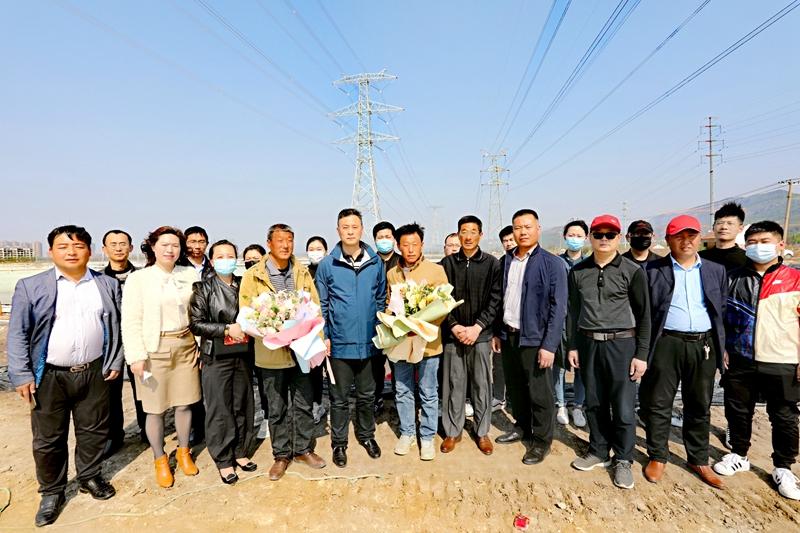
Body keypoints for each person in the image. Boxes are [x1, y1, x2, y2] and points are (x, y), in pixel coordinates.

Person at [8, 225, 123, 527]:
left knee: (93, 430)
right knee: (48, 438)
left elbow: (118, 327)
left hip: (94, 371)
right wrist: (21, 374)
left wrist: (115, 360)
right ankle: (52, 491)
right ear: (51, 251)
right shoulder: (30, 286)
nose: (71, 252)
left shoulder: (106, 284)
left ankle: (89, 476)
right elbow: (18, 333)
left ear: (89, 251)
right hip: (48, 376)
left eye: (78, 246)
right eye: (63, 246)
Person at [713, 221, 800, 501]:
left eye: (765, 241)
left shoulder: (795, 279)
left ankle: (783, 467)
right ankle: (739, 455)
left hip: (783, 359)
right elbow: (720, 318)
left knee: (784, 416)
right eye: (752, 242)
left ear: (780, 245)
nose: (758, 247)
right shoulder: (732, 278)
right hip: (740, 357)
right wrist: (723, 348)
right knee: (738, 410)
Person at [640, 216, 727, 489]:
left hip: (703, 345)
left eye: (691, 235)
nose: (685, 241)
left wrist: (722, 347)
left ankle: (698, 458)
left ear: (700, 238)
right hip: (666, 343)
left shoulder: (715, 270)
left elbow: (721, 309)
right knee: (658, 403)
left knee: (699, 404)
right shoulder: (652, 270)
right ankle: (657, 456)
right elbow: (644, 312)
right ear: (668, 240)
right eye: (679, 235)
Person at [567, 215, 650, 490]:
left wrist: (641, 354)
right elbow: (573, 311)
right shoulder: (578, 271)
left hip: (622, 345)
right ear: (590, 237)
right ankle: (599, 450)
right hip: (588, 343)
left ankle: (623, 459)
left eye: (610, 235)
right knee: (594, 402)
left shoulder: (632, 271)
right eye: (599, 234)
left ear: (619, 238)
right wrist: (573, 346)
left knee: (623, 407)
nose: (604, 239)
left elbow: (644, 316)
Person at [239, 224, 326, 481]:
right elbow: (247, 314)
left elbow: (315, 308)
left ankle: (303, 449)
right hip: (271, 353)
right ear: (269, 243)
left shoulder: (302, 272)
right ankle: (281, 454)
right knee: (276, 407)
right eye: (280, 240)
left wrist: (316, 341)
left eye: (289, 240)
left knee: (303, 403)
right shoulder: (253, 276)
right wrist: (275, 333)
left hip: (301, 351)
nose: (286, 245)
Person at [122, 227, 201, 488]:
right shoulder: (139, 279)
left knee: (185, 404)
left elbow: (198, 311)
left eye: (175, 245)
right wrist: (136, 356)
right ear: (152, 247)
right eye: (164, 245)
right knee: (154, 409)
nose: (170, 250)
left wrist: (200, 345)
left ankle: (183, 452)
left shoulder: (189, 274)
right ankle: (160, 459)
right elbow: (131, 320)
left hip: (186, 345)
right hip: (154, 349)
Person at [492, 210, 568, 466]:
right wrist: (498, 332)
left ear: (538, 229)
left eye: (527, 226)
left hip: (536, 341)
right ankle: (522, 427)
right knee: (515, 389)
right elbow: (500, 300)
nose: (522, 232)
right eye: (517, 227)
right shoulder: (506, 261)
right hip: (509, 336)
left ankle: (542, 441)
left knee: (540, 394)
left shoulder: (551, 263)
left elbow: (559, 308)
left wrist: (549, 345)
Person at [316, 209, 387, 468]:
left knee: (367, 396)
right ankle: (339, 443)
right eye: (344, 227)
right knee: (339, 398)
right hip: (339, 344)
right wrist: (325, 336)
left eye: (354, 226)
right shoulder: (327, 265)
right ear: (338, 231)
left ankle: (367, 436)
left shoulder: (375, 262)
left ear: (362, 229)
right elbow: (322, 304)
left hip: (369, 343)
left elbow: (381, 298)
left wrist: (378, 330)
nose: (350, 231)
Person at [189, 240, 255, 485]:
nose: (226, 260)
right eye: (220, 256)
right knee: (219, 407)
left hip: (243, 353)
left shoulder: (244, 285)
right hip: (217, 355)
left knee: (243, 403)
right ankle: (223, 458)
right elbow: (196, 324)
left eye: (231, 256)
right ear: (212, 261)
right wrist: (227, 329)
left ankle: (240, 450)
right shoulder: (203, 288)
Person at [440, 215, 502, 455]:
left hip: (481, 335)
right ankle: (452, 432)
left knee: (481, 384)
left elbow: (495, 299)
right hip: (453, 334)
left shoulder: (492, 264)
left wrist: (478, 327)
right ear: (458, 235)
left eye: (473, 231)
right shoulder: (447, 264)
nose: (468, 236)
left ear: (480, 235)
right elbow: (440, 299)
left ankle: (482, 431)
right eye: (463, 232)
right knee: (453, 383)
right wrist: (454, 326)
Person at [388, 222, 449, 461]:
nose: (410, 249)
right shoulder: (392, 273)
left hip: (428, 343)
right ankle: (407, 433)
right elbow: (389, 304)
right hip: (401, 341)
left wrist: (421, 326)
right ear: (398, 246)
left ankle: (427, 436)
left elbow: (443, 306)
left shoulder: (436, 271)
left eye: (415, 244)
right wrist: (395, 324)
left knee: (428, 392)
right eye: (405, 245)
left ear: (422, 245)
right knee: (402, 389)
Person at [101, 229, 146, 457]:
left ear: (131, 248)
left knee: (144, 386)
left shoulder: (142, 277)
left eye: (123, 244)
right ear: (104, 249)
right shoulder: (98, 279)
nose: (118, 248)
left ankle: (147, 429)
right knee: (110, 391)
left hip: (138, 340)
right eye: (113, 244)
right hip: (111, 344)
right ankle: (114, 436)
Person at [555, 220, 588, 428]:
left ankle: (578, 406)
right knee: (558, 365)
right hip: (559, 320)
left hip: (583, 322)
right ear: (565, 237)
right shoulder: (556, 262)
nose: (574, 239)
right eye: (571, 235)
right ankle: (560, 404)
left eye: (579, 236)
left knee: (581, 366)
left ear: (586, 238)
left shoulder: (590, 263)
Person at [184, 225, 211, 443]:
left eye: (201, 242)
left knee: (207, 382)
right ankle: (196, 426)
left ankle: (210, 424)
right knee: (190, 384)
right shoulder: (178, 268)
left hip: (209, 331)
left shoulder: (212, 267)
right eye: (192, 241)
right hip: (186, 331)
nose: (197, 246)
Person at [242, 244, 269, 439]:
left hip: (264, 340)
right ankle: (259, 412)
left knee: (265, 381)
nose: (251, 263)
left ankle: (268, 417)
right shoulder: (242, 282)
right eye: (248, 260)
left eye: (256, 259)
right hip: (244, 342)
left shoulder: (267, 282)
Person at [372, 221, 400, 411]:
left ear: (394, 239)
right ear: (375, 240)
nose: (384, 240)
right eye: (380, 237)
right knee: (375, 365)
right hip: (374, 321)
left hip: (397, 322)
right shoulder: (370, 262)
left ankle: (400, 398)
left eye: (387, 237)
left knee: (398, 363)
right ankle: (376, 398)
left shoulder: (401, 262)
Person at [491, 224, 516, 412]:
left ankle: (520, 399)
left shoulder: (531, 263)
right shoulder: (500, 265)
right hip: (502, 325)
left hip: (525, 328)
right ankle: (499, 397)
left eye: (511, 239)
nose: (508, 244)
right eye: (505, 241)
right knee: (498, 365)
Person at [306, 235, 328, 424]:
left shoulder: (330, 271)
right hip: (309, 329)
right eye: (311, 249)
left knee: (333, 368)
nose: (315, 252)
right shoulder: (304, 273)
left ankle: (335, 405)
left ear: (326, 251)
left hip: (330, 326)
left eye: (318, 249)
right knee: (314, 369)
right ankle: (316, 404)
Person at [699, 201, 747, 272]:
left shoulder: (747, 260)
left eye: (730, 223)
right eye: (720, 223)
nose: (724, 227)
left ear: (741, 228)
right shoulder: (699, 258)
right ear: (713, 227)